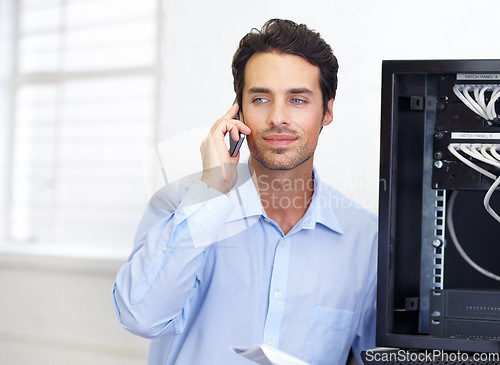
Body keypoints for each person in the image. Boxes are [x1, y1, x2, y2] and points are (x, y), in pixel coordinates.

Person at [113, 18, 377, 365]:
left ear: (326, 111)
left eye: (298, 100)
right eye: (261, 98)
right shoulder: (179, 205)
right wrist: (210, 192)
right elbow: (140, 317)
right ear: (238, 110)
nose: (278, 117)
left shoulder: (366, 239)